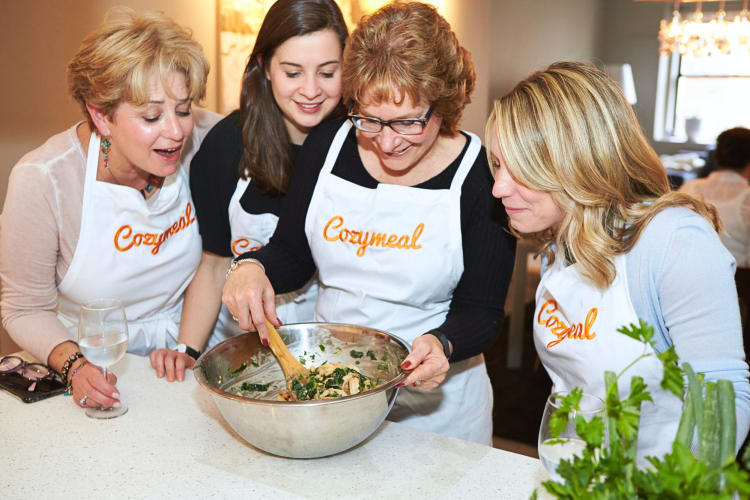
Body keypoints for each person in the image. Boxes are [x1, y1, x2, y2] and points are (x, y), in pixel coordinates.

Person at [223, 1, 515, 445]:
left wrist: (443, 344)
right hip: (329, 391)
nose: (388, 141)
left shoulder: (481, 176)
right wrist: (252, 267)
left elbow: (483, 310)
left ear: (444, 106)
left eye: (408, 122)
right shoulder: (327, 144)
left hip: (438, 409)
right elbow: (293, 256)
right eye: (370, 120)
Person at [486, 61, 750, 461]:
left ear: (579, 161)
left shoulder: (673, 241)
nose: (498, 187)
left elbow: (720, 399)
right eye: (498, 164)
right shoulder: (564, 237)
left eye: (521, 167)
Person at [0, 8, 220, 411]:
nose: (176, 131)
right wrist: (74, 364)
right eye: (151, 115)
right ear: (101, 115)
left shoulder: (207, 141)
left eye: (184, 109)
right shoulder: (44, 179)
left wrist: (187, 345)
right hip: (94, 363)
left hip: (187, 354)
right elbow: (23, 308)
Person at [148, 0, 349, 383]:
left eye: (327, 73)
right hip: (244, 356)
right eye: (292, 72)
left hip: (336, 353)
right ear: (265, 67)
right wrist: (186, 351)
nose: (310, 90)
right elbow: (213, 264)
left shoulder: (361, 146)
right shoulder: (227, 145)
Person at [680, 127, 750, 268]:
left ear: (717, 156)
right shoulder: (746, 199)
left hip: (684, 279)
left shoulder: (688, 189)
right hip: (738, 286)